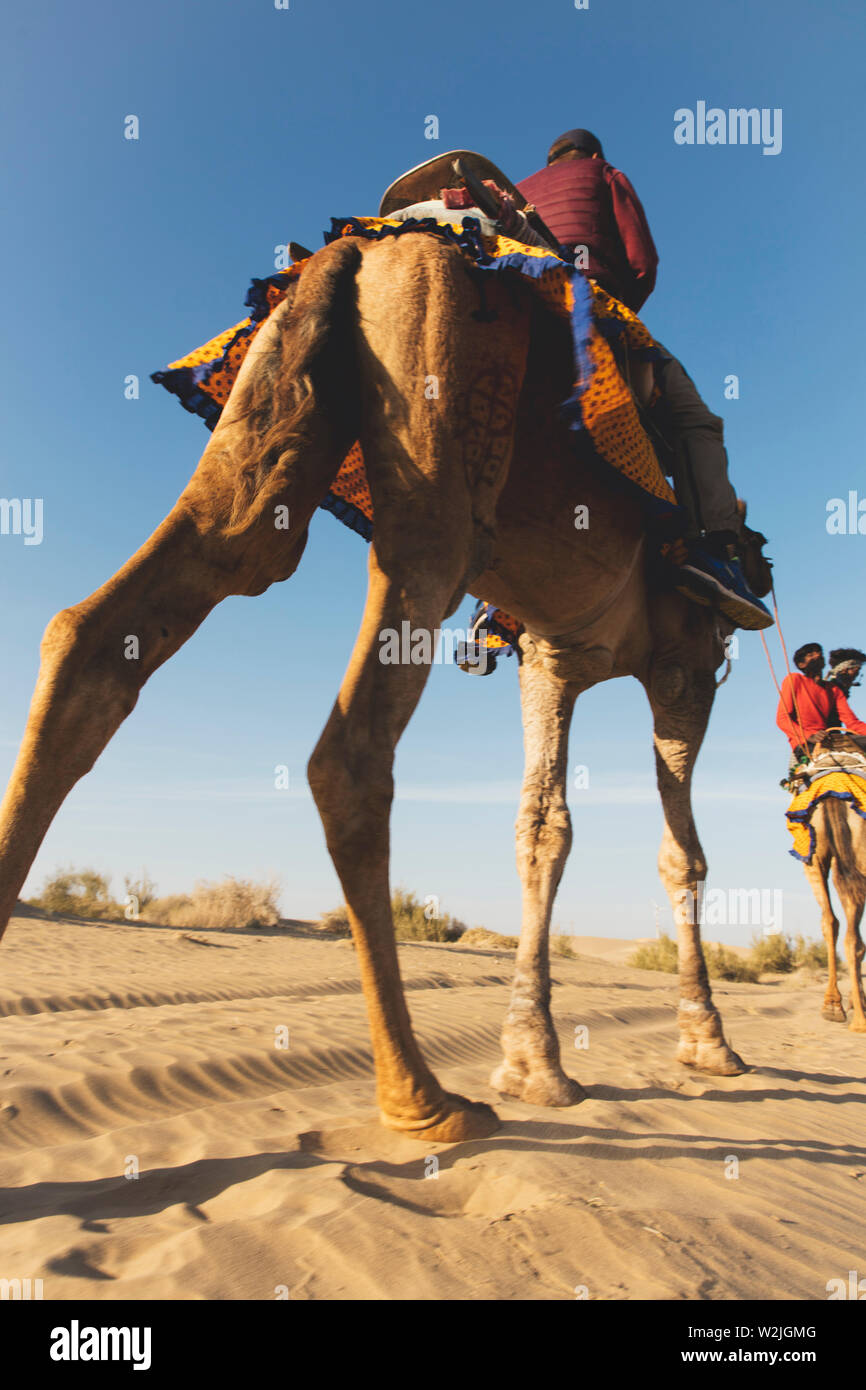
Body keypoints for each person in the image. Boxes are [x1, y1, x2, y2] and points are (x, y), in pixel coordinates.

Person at [517, 128, 772, 631]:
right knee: (698, 423)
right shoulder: (604, 174)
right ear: (591, 155)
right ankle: (713, 549)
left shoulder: (518, 189)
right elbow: (641, 263)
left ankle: (491, 609)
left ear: (547, 162)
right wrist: (617, 316)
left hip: (520, 304)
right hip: (586, 304)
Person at [776, 643, 866, 772]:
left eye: (819, 652)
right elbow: (782, 719)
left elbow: (852, 723)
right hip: (807, 742)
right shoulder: (794, 680)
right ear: (801, 664)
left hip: (830, 739)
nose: (817, 655)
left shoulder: (834, 690)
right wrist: (809, 735)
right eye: (810, 654)